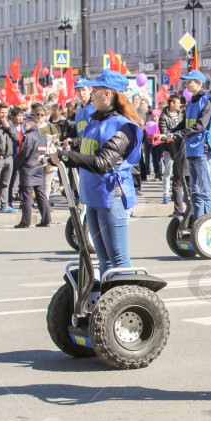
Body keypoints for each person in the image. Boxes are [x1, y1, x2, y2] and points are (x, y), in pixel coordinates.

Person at [51, 69, 143, 277]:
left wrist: (67, 157)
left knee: (118, 258)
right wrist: (63, 152)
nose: (91, 94)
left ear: (108, 94)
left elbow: (103, 163)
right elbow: (85, 147)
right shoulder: (97, 121)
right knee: (103, 259)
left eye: (95, 90)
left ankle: (124, 303)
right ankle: (107, 303)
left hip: (112, 196)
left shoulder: (123, 127)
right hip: (92, 195)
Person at [164, 69, 211, 221]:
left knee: (205, 190)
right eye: (186, 82)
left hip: (203, 149)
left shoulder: (207, 100)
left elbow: (201, 126)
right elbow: (183, 123)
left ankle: (210, 221)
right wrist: (170, 132)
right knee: (194, 191)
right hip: (191, 149)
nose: (186, 85)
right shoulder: (190, 103)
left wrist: (178, 135)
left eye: (189, 82)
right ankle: (198, 220)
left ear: (199, 83)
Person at [14, 113, 51, 228]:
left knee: (27, 196)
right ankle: (46, 219)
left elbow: (24, 153)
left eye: (24, 124)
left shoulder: (28, 137)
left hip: (28, 168)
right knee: (41, 195)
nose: (23, 126)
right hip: (38, 167)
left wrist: (17, 164)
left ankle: (25, 221)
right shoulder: (41, 136)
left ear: (29, 124)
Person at [0, 101, 20, 214]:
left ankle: (5, 204)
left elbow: (16, 137)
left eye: (6, 112)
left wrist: (8, 127)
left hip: (9, 157)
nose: (4, 115)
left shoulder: (9, 122)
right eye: (1, 112)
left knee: (6, 183)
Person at [158, 93, 183, 205]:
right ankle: (166, 194)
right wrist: (172, 136)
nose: (179, 105)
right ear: (172, 104)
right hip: (169, 147)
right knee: (168, 171)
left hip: (180, 147)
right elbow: (165, 132)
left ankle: (178, 193)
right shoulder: (163, 116)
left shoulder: (181, 114)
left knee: (180, 171)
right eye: (177, 103)